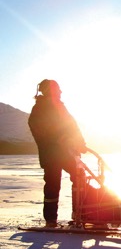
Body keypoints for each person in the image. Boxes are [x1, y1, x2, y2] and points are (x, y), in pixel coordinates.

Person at [28, 79, 87, 227]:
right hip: (51, 154)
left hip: (66, 153)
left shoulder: (60, 107)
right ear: (50, 90)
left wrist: (80, 143)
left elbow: (72, 127)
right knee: (53, 184)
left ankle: (79, 213)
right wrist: (59, 139)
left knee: (79, 176)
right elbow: (38, 128)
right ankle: (50, 220)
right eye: (58, 89)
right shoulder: (39, 108)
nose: (60, 92)